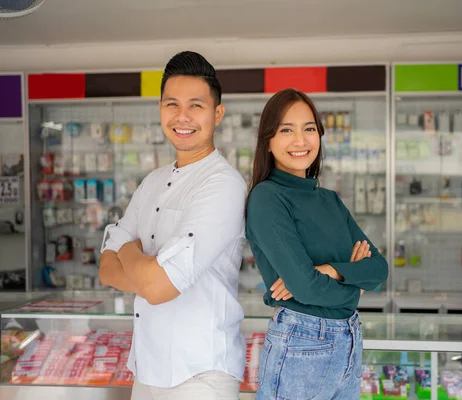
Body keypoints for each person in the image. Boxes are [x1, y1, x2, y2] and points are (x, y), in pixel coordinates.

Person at [99, 51, 247, 400]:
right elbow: (106, 270)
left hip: (200, 376)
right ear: (160, 109)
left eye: (196, 105)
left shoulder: (223, 185)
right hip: (147, 371)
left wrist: (124, 245)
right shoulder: (153, 180)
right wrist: (143, 269)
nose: (182, 117)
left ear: (217, 113)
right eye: (172, 104)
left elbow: (159, 287)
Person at [245, 88, 389, 399]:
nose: (301, 140)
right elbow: (307, 287)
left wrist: (331, 271)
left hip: (348, 339)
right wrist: (355, 282)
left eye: (309, 128)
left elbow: (379, 267)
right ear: (268, 141)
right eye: (286, 130)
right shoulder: (267, 198)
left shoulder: (329, 200)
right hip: (301, 341)